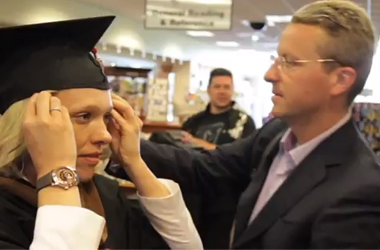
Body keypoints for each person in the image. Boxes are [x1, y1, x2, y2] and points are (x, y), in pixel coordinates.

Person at [112, 1, 380, 249]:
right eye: (276, 59)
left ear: (341, 80)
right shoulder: (276, 136)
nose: (270, 74)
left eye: (290, 62)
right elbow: (203, 168)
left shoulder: (359, 191)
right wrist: (121, 147)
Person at [0, 16, 203, 250]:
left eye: (107, 117)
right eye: (84, 116)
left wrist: (134, 163)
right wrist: (58, 175)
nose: (105, 135)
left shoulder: (104, 194)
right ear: (28, 122)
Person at [180, 68, 256, 150]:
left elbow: (246, 155)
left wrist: (201, 144)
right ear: (209, 90)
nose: (222, 92)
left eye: (227, 87)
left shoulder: (244, 122)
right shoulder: (193, 123)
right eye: (217, 87)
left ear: (232, 90)